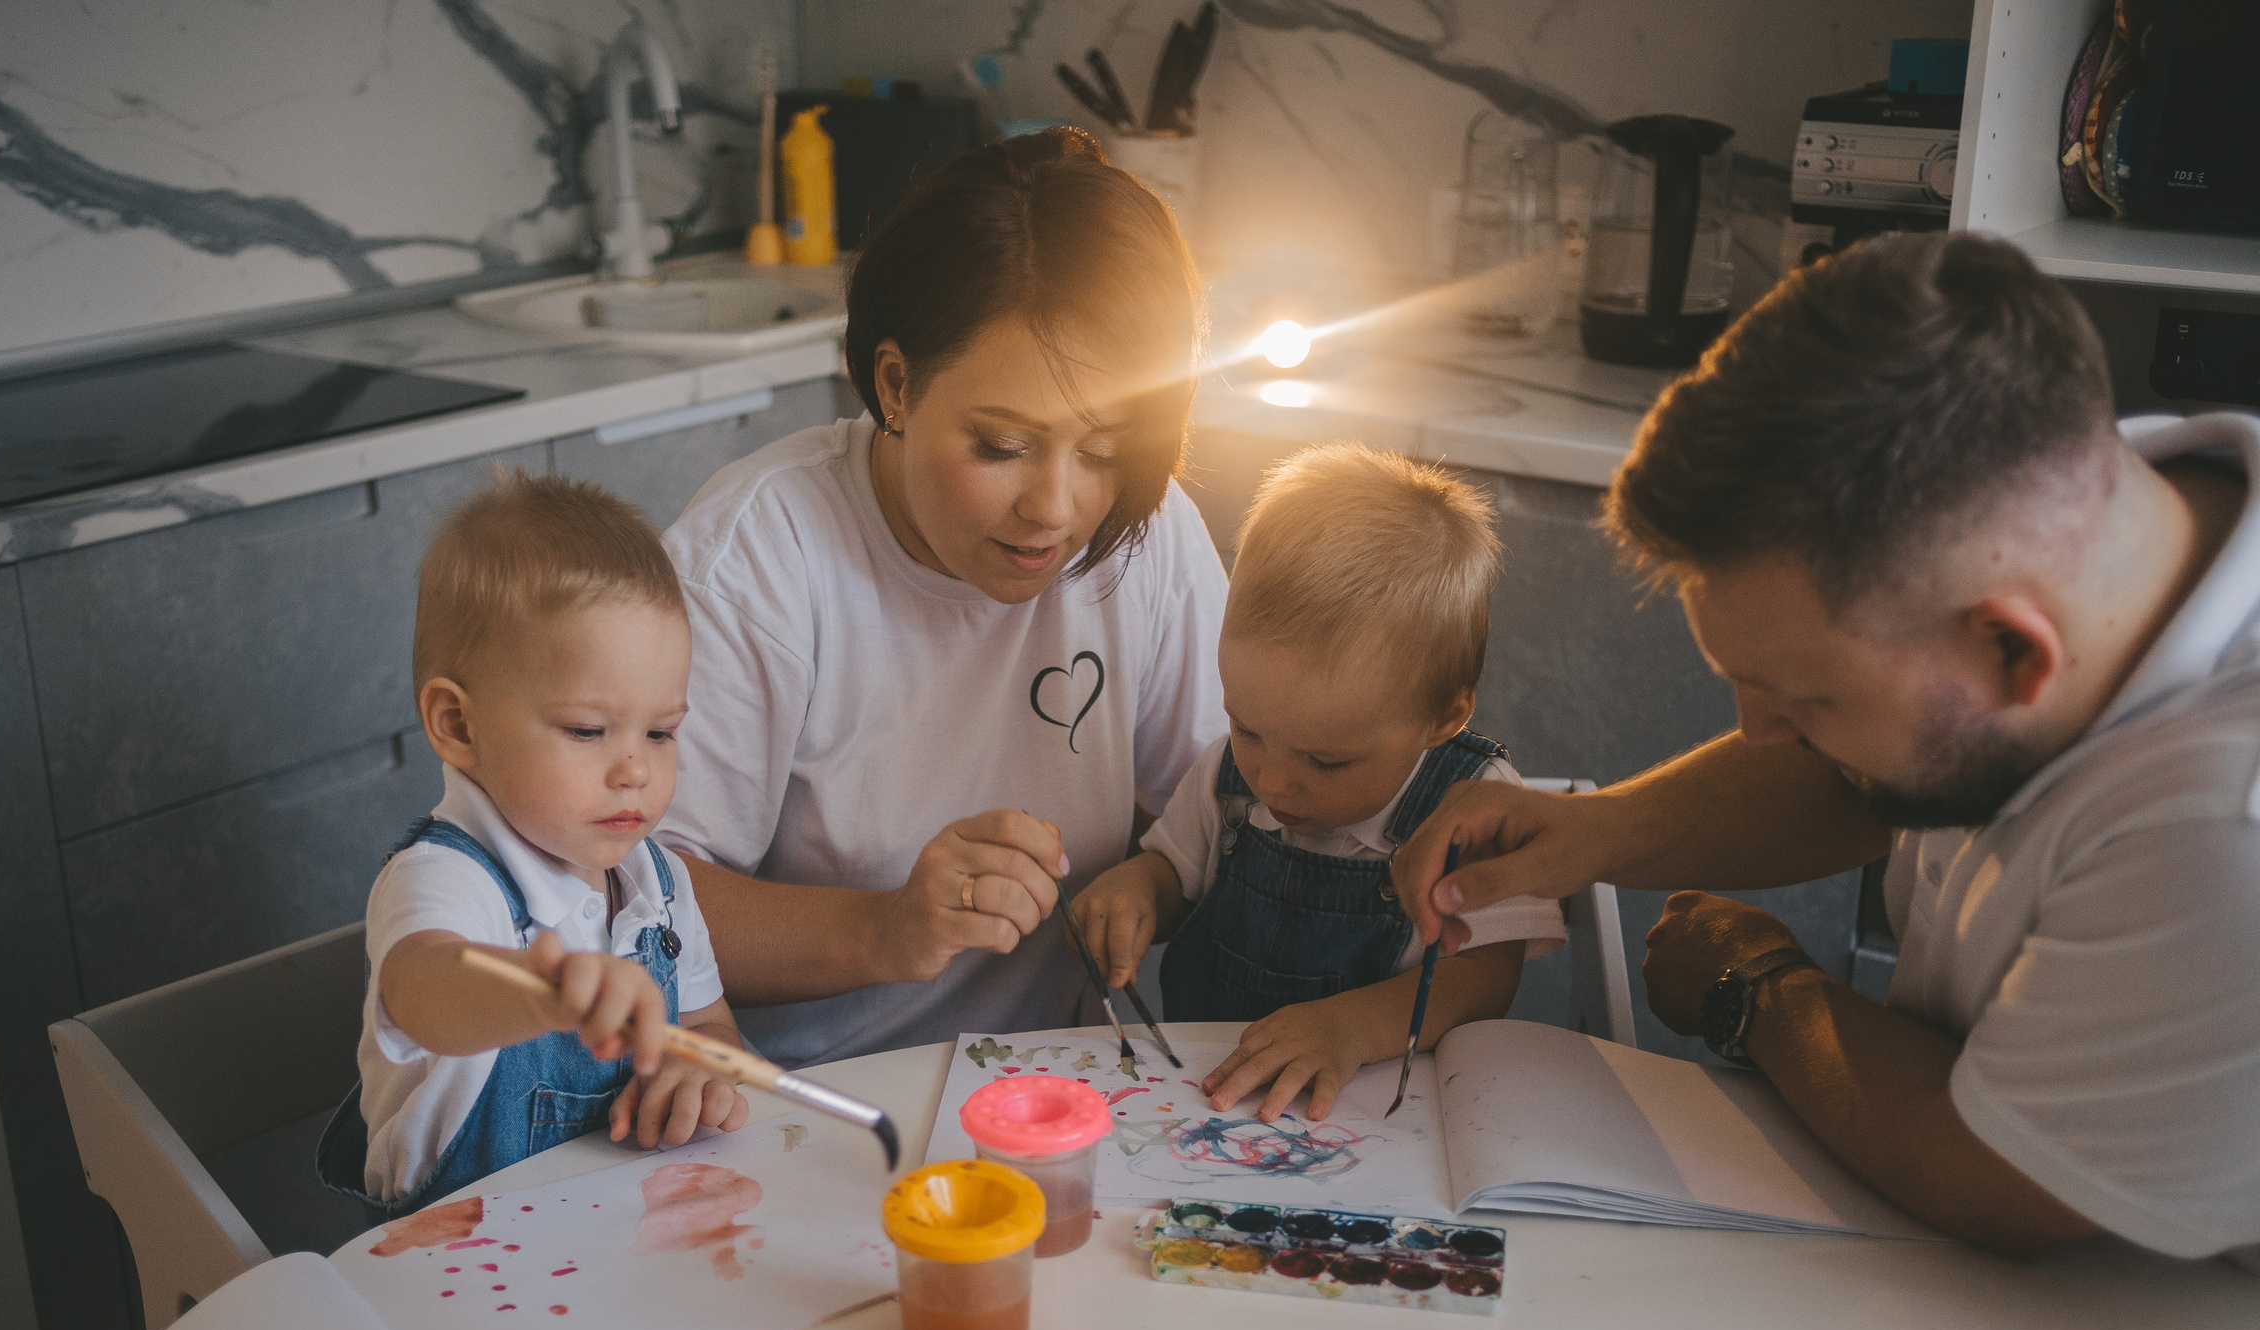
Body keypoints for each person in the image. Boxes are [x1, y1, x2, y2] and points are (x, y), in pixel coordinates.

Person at [1391, 231, 2260, 1262]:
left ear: (2014, 653)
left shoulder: (2223, 831)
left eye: (1805, 699)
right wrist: (1601, 830)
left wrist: (1756, 987)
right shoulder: (2093, 509)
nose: (1756, 734)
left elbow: (1997, 1174)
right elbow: (1871, 781)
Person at [660, 127, 1226, 1065]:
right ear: (897, 383)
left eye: (1102, 450)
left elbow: (1225, 811)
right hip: (801, 1110)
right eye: (1001, 446)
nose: (1055, 508)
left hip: (1055, 1101)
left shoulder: (1150, 537)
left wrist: (1154, 881)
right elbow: (639, 901)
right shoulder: (758, 561)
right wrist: (882, 930)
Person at [1072, 444, 1566, 1120]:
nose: (1272, 779)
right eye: (1247, 728)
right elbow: (1175, 877)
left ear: (1442, 716)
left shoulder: (1473, 804)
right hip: (1204, 1108)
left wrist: (1352, 1028)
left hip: (1380, 1124)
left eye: (1325, 762)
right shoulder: (1228, 778)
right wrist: (1139, 889)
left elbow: (1486, 976)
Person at [316, 473, 751, 1216]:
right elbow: (423, 991)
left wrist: (695, 1070)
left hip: (618, 1254)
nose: (635, 769)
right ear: (457, 724)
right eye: (588, 730)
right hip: (447, 1281)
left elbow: (714, 1031)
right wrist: (538, 991)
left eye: (660, 731)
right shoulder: (443, 879)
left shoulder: (660, 884)